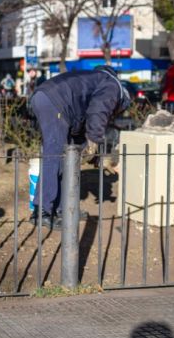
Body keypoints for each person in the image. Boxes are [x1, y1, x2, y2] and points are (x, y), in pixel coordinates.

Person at [28, 66, 131, 228]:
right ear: (122, 101)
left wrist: (93, 151)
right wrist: (94, 140)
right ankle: (42, 212)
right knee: (53, 157)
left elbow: (84, 115)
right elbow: (99, 110)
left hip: (51, 100)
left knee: (65, 160)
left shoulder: (95, 80)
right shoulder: (114, 86)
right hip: (54, 102)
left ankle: (63, 209)